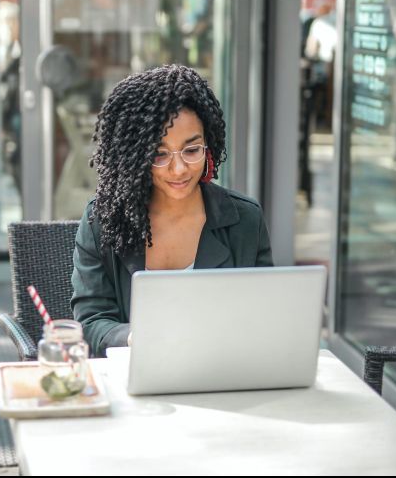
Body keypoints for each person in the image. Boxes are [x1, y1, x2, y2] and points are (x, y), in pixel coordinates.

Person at [71, 64, 274, 358]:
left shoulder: (245, 220)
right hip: (134, 380)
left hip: (223, 375)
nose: (178, 169)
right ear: (135, 157)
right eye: (159, 154)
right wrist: (134, 337)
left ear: (209, 146)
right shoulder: (102, 221)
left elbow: (265, 318)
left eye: (192, 151)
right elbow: (90, 323)